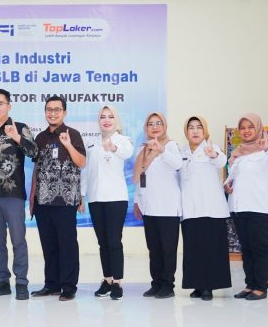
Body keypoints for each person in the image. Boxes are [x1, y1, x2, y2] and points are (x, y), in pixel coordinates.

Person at [0, 88, 38, 301]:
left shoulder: (20, 128)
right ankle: (2, 281)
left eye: (0, 103)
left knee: (18, 239)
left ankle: (21, 282)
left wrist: (17, 138)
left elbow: (34, 153)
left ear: (9, 106)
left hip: (13, 195)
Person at [225, 113, 268, 301]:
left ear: (258, 128)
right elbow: (234, 177)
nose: (246, 131)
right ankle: (250, 285)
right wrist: (227, 184)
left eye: (250, 127)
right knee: (246, 249)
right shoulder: (238, 152)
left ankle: (261, 287)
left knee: (260, 248)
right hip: (239, 208)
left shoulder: (267, 148)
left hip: (260, 208)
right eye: (242, 127)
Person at [30, 95, 86, 301]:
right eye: (49, 109)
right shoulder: (40, 137)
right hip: (43, 201)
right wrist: (33, 198)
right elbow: (36, 169)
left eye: (57, 109)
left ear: (64, 112)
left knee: (67, 245)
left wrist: (68, 145)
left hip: (65, 201)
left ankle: (69, 287)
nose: (52, 113)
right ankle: (51, 284)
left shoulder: (73, 134)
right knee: (49, 245)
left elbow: (81, 163)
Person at [79, 105, 133, 301]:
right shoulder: (92, 143)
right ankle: (107, 280)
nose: (106, 120)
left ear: (116, 120)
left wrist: (114, 148)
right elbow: (86, 171)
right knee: (102, 242)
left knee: (114, 241)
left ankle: (118, 282)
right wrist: (82, 195)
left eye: (110, 116)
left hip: (116, 199)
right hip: (95, 199)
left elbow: (128, 152)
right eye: (103, 117)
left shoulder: (123, 140)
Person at [179, 116, 231, 301]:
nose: (195, 131)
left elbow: (222, 162)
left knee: (210, 248)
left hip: (210, 208)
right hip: (189, 209)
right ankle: (197, 285)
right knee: (193, 249)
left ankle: (208, 286)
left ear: (204, 130)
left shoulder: (211, 147)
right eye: (191, 127)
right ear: (186, 131)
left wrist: (213, 155)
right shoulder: (181, 151)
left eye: (199, 127)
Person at [133, 112, 183, 299]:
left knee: (168, 249)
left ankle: (168, 285)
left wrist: (161, 150)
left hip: (168, 206)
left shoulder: (171, 146)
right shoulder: (142, 149)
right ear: (146, 128)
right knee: (153, 248)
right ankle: (156, 283)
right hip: (149, 205)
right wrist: (137, 200)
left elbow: (178, 164)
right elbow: (140, 177)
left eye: (158, 123)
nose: (155, 127)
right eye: (150, 124)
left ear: (165, 126)